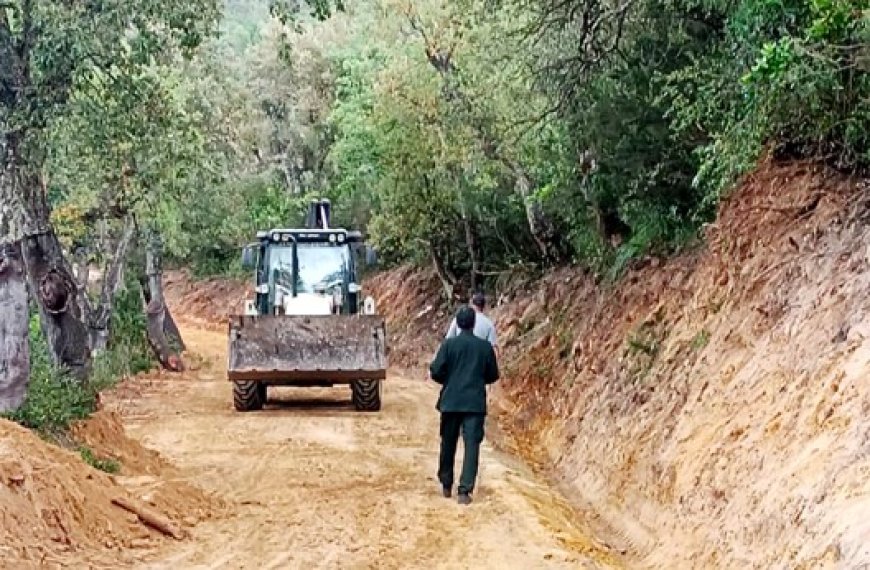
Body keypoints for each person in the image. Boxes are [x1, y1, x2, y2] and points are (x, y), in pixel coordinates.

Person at [429, 306, 500, 505]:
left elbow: (435, 370)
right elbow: (493, 374)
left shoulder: (448, 345)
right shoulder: (484, 347)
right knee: (471, 445)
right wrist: (477, 379)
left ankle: (446, 483)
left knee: (448, 442)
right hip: (474, 403)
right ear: (473, 323)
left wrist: (448, 380)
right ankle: (464, 490)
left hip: (450, 401)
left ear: (458, 324)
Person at [445, 292, 498, 357]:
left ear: (471, 304)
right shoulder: (489, 324)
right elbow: (494, 351)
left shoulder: (459, 319)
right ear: (484, 306)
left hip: (459, 362)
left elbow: (447, 342)